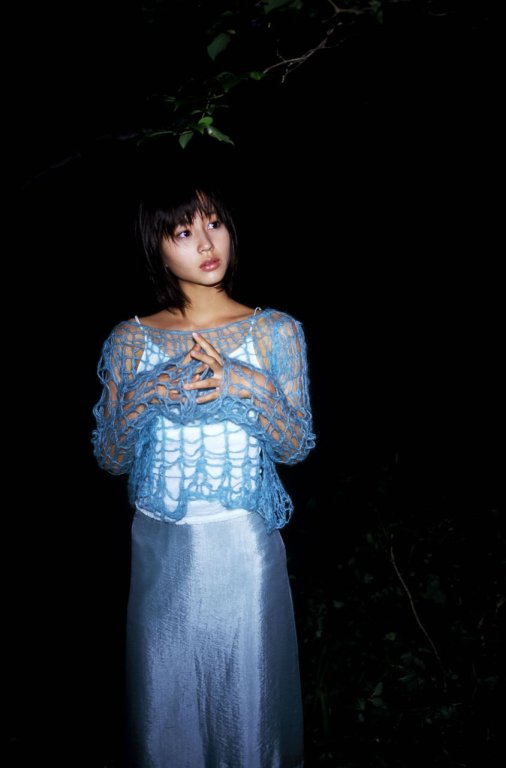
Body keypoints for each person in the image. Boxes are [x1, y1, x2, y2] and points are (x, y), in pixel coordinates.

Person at [91, 167, 315, 768]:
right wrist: (147, 394)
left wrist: (245, 383)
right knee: (165, 719)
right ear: (157, 245)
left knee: (251, 718)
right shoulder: (130, 340)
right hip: (159, 552)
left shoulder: (275, 331)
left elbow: (295, 446)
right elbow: (110, 458)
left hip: (243, 552)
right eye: (184, 232)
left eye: (214, 223)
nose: (207, 243)